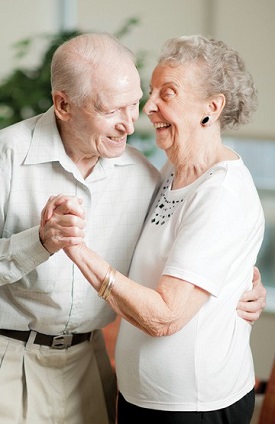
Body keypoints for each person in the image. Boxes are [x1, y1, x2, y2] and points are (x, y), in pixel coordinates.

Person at [42, 35, 266, 424]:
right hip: (146, 402)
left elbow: (165, 317)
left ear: (211, 108)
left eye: (168, 93)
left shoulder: (222, 192)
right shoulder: (170, 173)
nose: (148, 107)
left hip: (195, 408)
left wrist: (75, 247)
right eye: (151, 92)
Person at [0, 33, 160, 424]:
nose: (128, 123)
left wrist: (243, 290)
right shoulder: (5, 156)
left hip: (91, 365)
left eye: (134, 104)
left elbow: (174, 258)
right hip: (8, 362)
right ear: (63, 105)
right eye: (111, 110)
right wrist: (39, 241)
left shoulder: (145, 176)